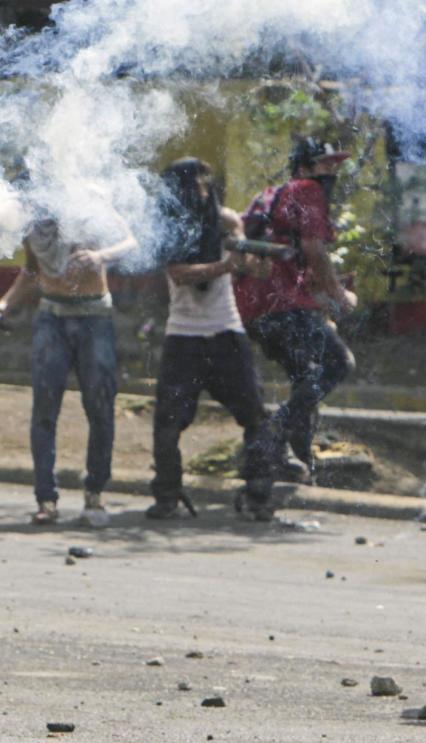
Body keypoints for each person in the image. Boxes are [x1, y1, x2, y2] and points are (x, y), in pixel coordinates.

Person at [148, 158, 276, 520]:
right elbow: (179, 273)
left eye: (205, 184)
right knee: (168, 423)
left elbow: (256, 268)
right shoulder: (170, 228)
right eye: (197, 185)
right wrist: (226, 266)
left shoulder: (227, 220)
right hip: (184, 334)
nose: (203, 191)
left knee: (255, 416)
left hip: (225, 329)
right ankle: (167, 496)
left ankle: (259, 495)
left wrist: (255, 253)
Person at [0, 210, 137, 527]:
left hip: (95, 317)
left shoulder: (88, 203)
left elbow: (129, 242)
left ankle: (95, 494)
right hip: (51, 317)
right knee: (44, 408)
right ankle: (46, 499)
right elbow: (31, 271)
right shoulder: (36, 223)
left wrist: (99, 256)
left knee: (99, 406)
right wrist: (5, 303)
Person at [235, 138, 357, 482]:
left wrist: (326, 292)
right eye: (325, 164)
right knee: (338, 363)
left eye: (335, 164)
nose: (331, 171)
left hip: (256, 307)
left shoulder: (271, 194)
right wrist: (340, 295)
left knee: (306, 382)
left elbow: (291, 258)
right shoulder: (307, 189)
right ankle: (270, 436)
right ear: (303, 169)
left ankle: (298, 468)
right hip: (283, 305)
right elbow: (314, 250)